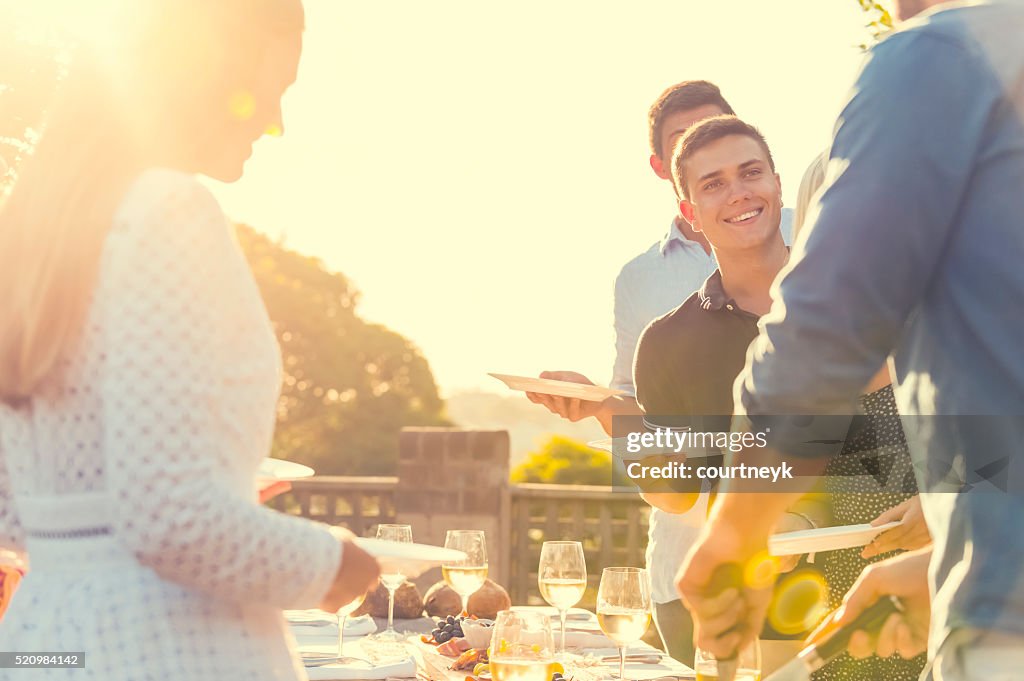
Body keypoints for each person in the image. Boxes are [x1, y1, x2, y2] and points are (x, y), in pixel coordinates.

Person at [0, 1, 380, 679]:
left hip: (43, 643)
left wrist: (205, 490)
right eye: (274, 89)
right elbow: (172, 519)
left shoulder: (33, 231)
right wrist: (334, 562)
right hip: (163, 648)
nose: (278, 122)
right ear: (208, 69)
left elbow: (17, 513)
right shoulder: (167, 209)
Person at [676, 2, 1024, 679]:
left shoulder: (939, 55)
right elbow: (663, 462)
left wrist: (733, 532)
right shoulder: (674, 336)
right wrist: (934, 568)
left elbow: (827, 327)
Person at [527, 81, 794, 665]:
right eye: (712, 182)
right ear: (688, 208)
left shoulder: (850, 291)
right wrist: (607, 410)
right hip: (730, 598)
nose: (738, 192)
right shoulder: (668, 339)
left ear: (778, 182)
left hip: (887, 586)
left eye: (750, 172)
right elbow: (674, 489)